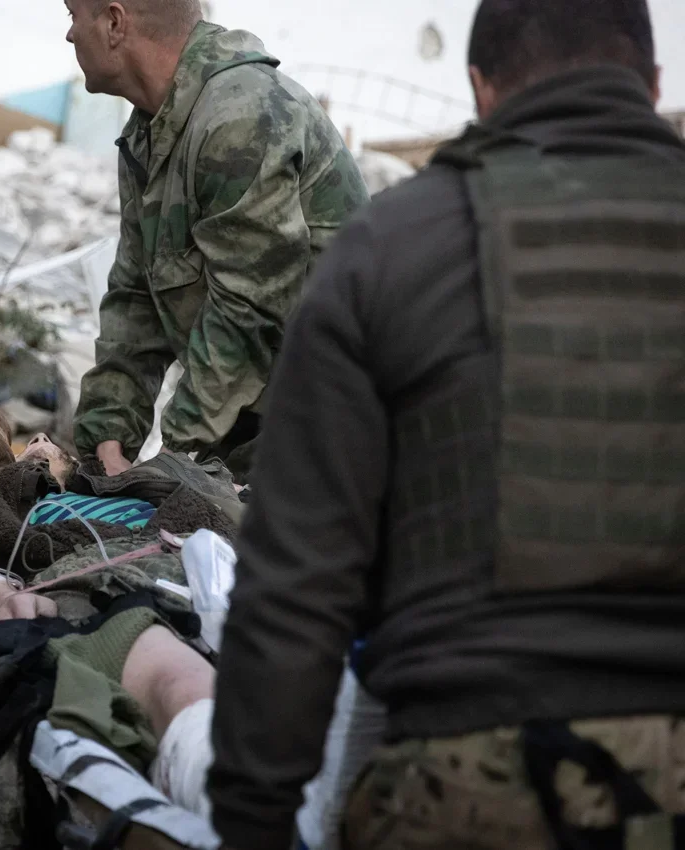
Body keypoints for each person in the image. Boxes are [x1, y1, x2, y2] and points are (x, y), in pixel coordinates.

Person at [209, 1, 685, 848]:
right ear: (651, 84)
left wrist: (254, 819)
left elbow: (297, 585)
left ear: (480, 88)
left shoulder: (389, 246)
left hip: (473, 779)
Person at [65, 0, 369, 483]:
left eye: (72, 15)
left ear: (115, 23)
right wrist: (109, 438)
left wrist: (171, 459)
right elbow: (136, 295)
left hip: (337, 426)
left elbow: (248, 309)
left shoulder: (239, 114)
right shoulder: (147, 134)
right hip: (256, 423)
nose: (69, 35)